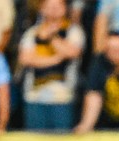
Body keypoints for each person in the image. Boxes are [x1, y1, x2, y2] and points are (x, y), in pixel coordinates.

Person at [17, 0, 85, 131]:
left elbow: (72, 52)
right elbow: (25, 59)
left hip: (63, 98)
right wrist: (56, 58)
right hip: (34, 98)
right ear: (41, 9)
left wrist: (50, 37)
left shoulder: (73, 31)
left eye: (58, 5)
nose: (53, 9)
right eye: (49, 6)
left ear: (65, 8)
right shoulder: (32, 33)